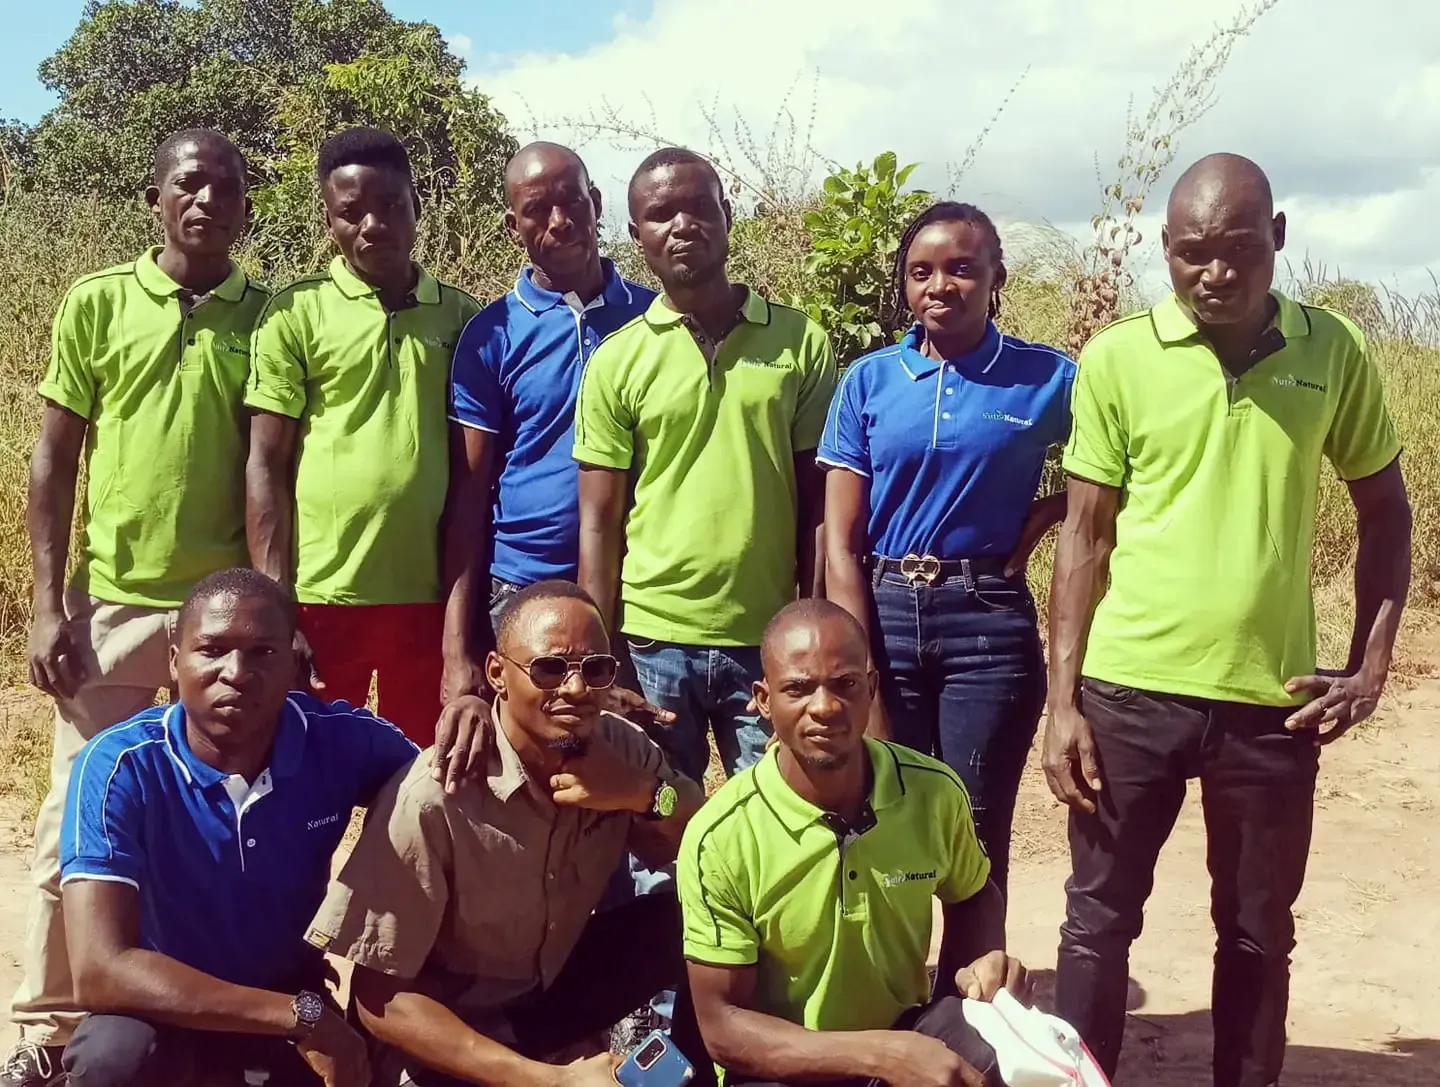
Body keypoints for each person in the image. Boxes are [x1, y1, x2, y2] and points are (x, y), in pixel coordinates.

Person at [1043, 153, 1413, 1087]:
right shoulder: (1120, 357)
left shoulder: (1333, 351)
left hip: (1270, 700)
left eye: (1240, 249)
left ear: (1277, 239)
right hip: (1128, 694)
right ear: (1166, 252)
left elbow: (1386, 509)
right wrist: (1063, 702)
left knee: (1256, 932)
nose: (1216, 272)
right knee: (1097, 920)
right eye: (1192, 254)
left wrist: (1372, 664)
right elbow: (1083, 537)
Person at [7, 128, 269, 1087]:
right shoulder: (98, 302)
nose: (207, 201)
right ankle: (47, 1020)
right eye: (189, 185)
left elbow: (270, 470)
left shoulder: (267, 318)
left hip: (223, 626)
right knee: (72, 822)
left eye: (227, 188)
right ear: (155, 198)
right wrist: (46, 605)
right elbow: (54, 458)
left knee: (212, 827)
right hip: (111, 612)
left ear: (248, 206)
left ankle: (195, 1006)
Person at [305, 581, 710, 1087]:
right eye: (549, 669)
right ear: (497, 673)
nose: (577, 689)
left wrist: (645, 793)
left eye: (596, 669)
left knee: (698, 918)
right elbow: (378, 998)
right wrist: (547, 1080)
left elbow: (712, 851)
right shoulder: (437, 796)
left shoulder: (620, 751)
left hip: (547, 992)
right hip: (453, 1031)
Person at [54, 567, 424, 1087]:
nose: (236, 672)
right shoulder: (120, 764)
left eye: (263, 653)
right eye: (212, 650)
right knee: (112, 1058)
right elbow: (99, 969)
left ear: (294, 662)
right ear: (173, 660)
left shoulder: (341, 742)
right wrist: (305, 1017)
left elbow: (442, 791)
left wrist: (474, 716)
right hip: (166, 1006)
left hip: (287, 995)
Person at [819, 201, 1073, 902]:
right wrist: (858, 663)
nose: (941, 285)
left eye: (962, 268)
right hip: (884, 613)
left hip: (987, 619)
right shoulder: (868, 382)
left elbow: (1130, 467)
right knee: (882, 813)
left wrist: (1052, 511)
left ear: (997, 277)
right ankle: (895, 988)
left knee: (974, 823)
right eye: (921, 271)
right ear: (903, 283)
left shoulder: (1048, 378)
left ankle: (969, 994)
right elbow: (841, 543)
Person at [678, 599, 1029, 1087]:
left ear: (872, 687)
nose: (824, 707)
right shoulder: (722, 835)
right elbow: (724, 1028)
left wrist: (975, 977)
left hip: (904, 1033)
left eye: (845, 684)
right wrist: (880, 1056)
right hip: (783, 1063)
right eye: (798, 688)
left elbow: (973, 896)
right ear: (762, 699)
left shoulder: (933, 792)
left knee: (1006, 1051)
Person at [574, 147, 837, 787]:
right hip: (651, 640)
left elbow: (819, 506)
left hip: (767, 642)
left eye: (698, 207)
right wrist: (600, 660)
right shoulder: (617, 360)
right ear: (636, 236)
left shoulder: (799, 343)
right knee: (652, 828)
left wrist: (812, 627)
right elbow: (599, 522)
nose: (682, 225)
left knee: (782, 816)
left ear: (728, 214)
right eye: (661, 214)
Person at [246, 126, 482, 745]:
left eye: (390, 206)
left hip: (427, 597)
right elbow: (266, 465)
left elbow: (473, 474)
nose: (372, 225)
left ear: (417, 207)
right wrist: (278, 606)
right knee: (304, 771)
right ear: (328, 222)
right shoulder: (297, 313)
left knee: (423, 774)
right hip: (323, 596)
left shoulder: (462, 318)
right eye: (351, 213)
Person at [441, 141, 656, 701]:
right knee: (526, 769)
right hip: (522, 587)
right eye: (538, 209)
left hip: (640, 588)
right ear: (514, 226)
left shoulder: (654, 319)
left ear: (597, 202)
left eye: (572, 201)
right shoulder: (493, 334)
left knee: (625, 771)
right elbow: (468, 493)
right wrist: (457, 646)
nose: (559, 221)